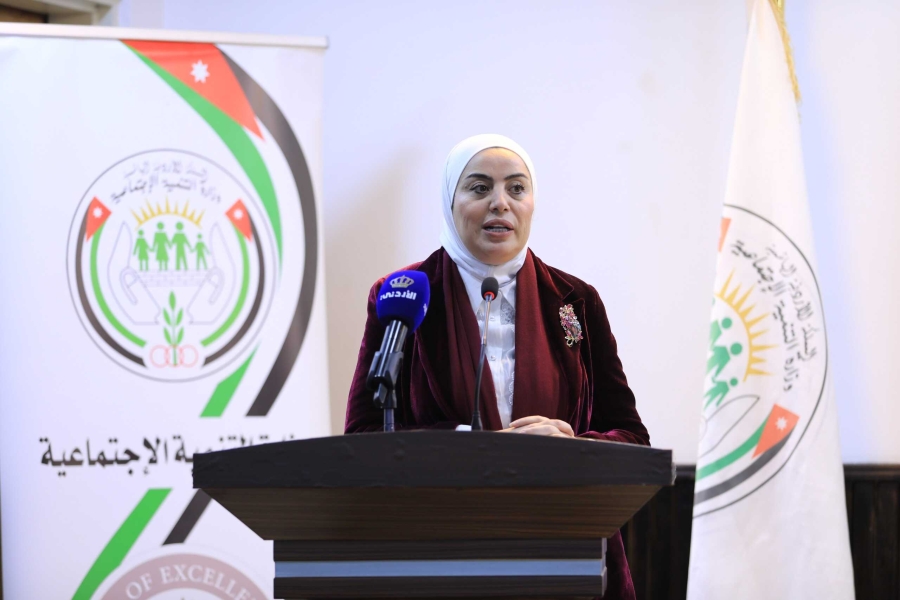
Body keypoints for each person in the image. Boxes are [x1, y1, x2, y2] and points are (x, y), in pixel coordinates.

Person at [345, 134, 649, 600]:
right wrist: (467, 447)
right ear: (450, 201)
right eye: (479, 187)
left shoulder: (576, 301)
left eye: (516, 188)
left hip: (563, 553)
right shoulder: (403, 293)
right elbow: (365, 435)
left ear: (532, 203)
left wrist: (574, 447)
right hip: (438, 554)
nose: (500, 203)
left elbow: (632, 438)